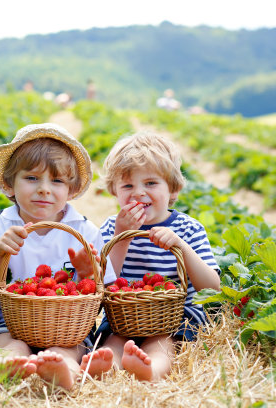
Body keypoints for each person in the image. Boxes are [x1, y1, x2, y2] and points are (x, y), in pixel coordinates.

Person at [0, 123, 117, 389]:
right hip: (10, 323)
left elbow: (98, 302)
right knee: (10, 344)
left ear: (71, 189)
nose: (44, 189)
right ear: (10, 183)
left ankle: (65, 370)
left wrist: (87, 275)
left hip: (68, 328)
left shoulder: (84, 231)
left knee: (68, 348)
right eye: (32, 178)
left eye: (56, 181)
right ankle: (9, 366)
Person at [80, 131, 221, 382]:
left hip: (173, 316)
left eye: (151, 183)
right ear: (114, 191)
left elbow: (211, 287)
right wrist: (122, 236)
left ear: (173, 188)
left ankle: (152, 369)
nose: (138, 193)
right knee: (115, 338)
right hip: (124, 316)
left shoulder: (189, 229)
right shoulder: (111, 228)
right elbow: (101, 283)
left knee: (162, 341)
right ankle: (106, 364)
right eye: (127, 186)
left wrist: (181, 247)